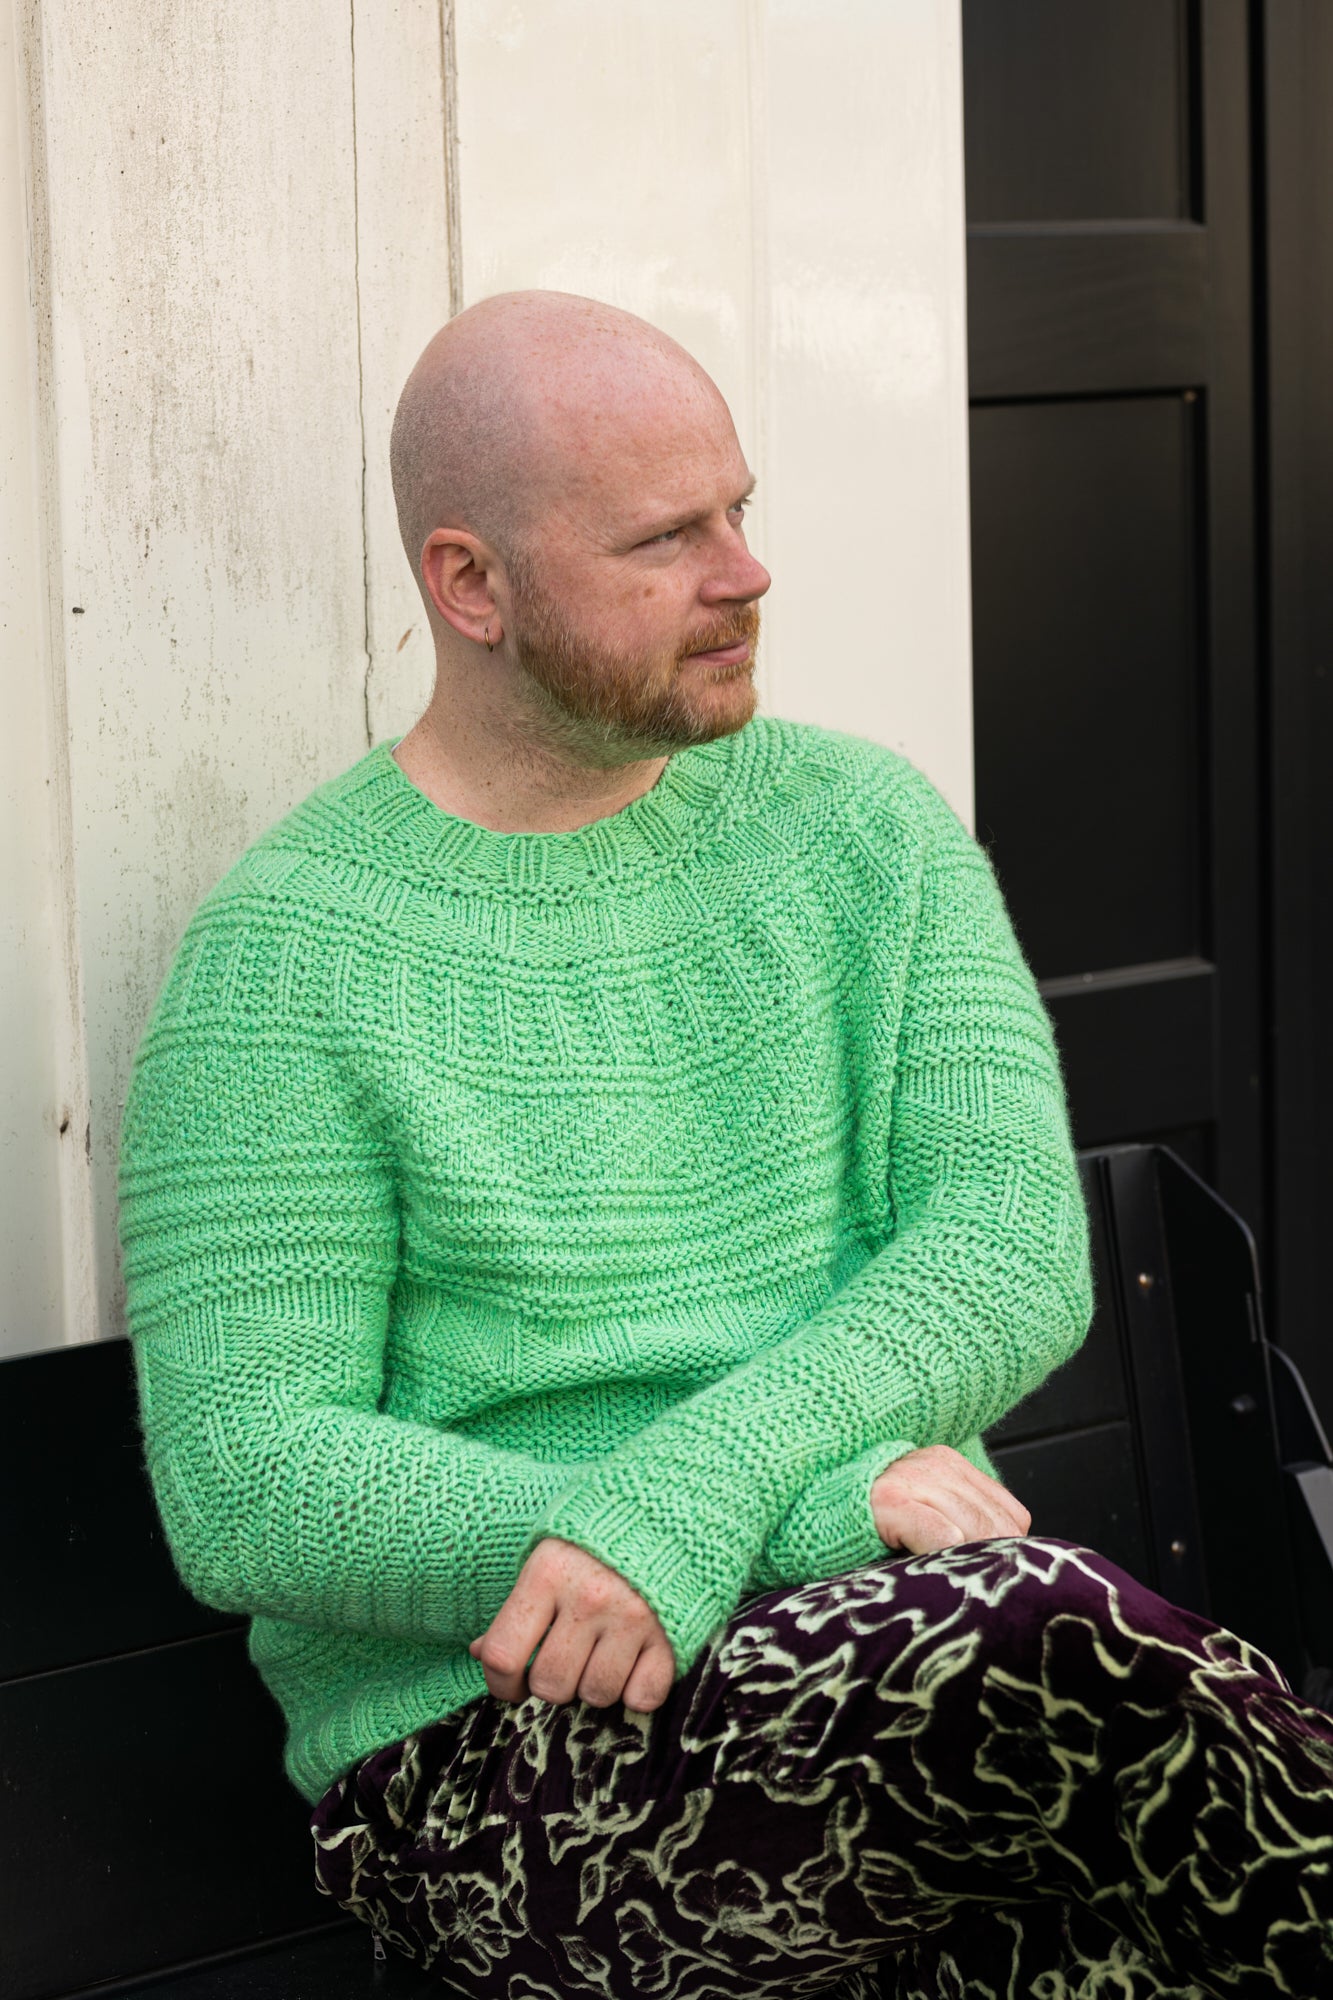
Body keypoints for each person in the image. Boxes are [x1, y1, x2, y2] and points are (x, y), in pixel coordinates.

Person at [117, 291, 1333, 2000]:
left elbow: (1003, 1248)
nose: (744, 573)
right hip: (504, 1750)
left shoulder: (863, 833)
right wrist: (796, 1515)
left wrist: (697, 1501)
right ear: (471, 586)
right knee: (1047, 1662)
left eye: (738, 510)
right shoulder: (288, 960)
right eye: (661, 539)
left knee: (1070, 1870)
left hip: (928, 1686)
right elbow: (251, 1482)